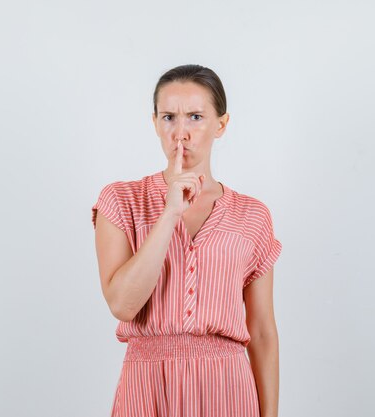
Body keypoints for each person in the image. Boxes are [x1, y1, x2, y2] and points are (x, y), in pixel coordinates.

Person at [91, 64, 282, 417]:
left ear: (220, 125)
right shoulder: (121, 201)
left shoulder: (252, 215)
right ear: (154, 123)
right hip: (148, 386)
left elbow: (262, 330)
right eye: (168, 117)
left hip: (227, 387)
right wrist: (170, 214)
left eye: (195, 116)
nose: (181, 133)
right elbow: (122, 304)